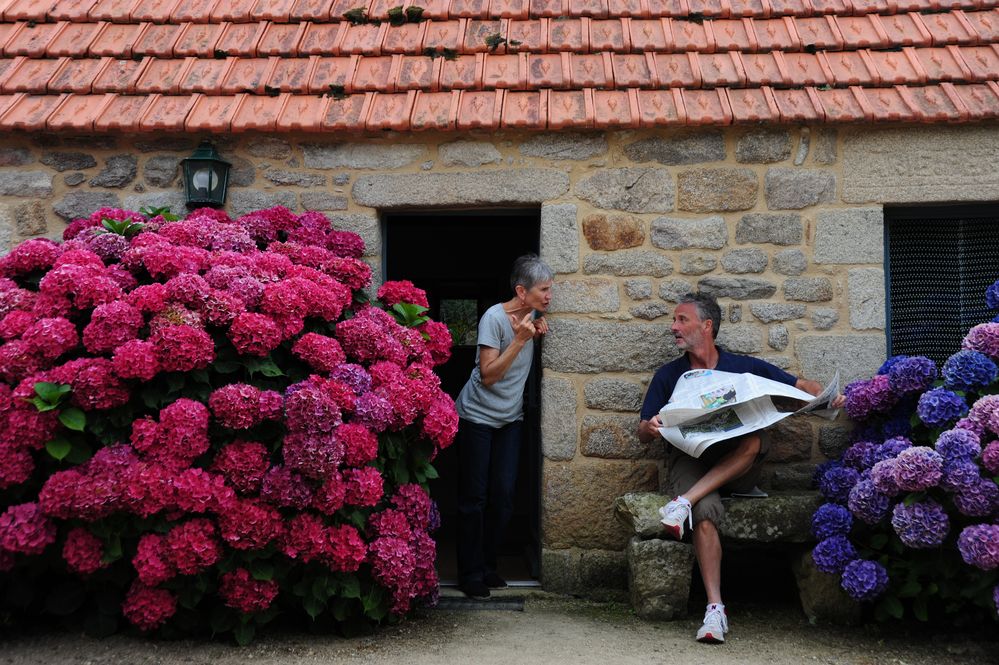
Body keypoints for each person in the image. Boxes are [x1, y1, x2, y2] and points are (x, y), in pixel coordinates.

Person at [637, 292, 844, 644]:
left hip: (739, 463)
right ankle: (715, 610)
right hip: (691, 459)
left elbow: (799, 386)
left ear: (707, 326)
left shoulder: (742, 367)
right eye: (674, 321)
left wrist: (826, 396)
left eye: (681, 320)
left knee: (755, 440)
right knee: (704, 512)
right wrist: (651, 426)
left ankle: (683, 500)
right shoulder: (669, 375)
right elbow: (642, 433)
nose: (674, 327)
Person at [454, 254, 553, 600]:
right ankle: (469, 573)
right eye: (544, 289)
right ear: (521, 291)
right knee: (474, 498)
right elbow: (489, 375)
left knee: (505, 497)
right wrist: (521, 341)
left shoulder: (534, 317)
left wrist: (533, 331)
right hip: (476, 418)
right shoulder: (493, 319)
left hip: (510, 420)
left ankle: (487, 564)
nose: (549, 295)